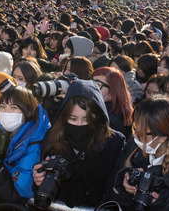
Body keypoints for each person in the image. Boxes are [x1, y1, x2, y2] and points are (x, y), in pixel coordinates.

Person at [32, 79, 125, 208]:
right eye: (73, 118)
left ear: (97, 117)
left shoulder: (113, 142)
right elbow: (43, 187)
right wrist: (39, 180)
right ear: (64, 117)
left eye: (86, 119)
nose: (79, 125)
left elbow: (116, 189)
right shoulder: (53, 137)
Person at [108, 96, 169, 210]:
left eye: (141, 133)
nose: (135, 135)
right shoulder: (133, 146)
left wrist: (165, 202)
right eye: (134, 128)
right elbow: (110, 190)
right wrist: (122, 184)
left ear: (162, 137)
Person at [0, 85, 50, 203]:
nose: (7, 112)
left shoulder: (33, 147)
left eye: (13, 107)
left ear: (27, 111)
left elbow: (17, 196)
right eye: (3, 106)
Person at [91, 67, 134, 138]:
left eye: (97, 85)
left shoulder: (110, 120)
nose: (92, 87)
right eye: (91, 82)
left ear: (112, 91)